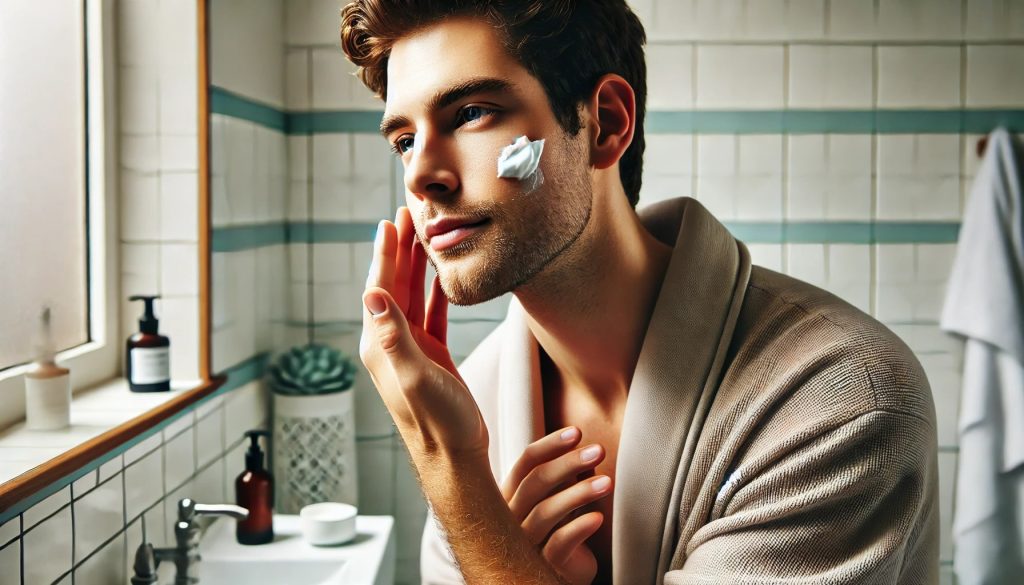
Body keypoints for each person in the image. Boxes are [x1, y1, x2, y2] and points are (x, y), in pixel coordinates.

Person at [340, 1, 939, 583]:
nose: (420, 174)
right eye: (403, 141)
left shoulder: (839, 398)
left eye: (471, 112)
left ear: (606, 122)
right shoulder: (470, 403)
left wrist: (451, 474)